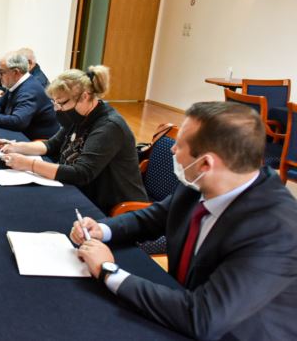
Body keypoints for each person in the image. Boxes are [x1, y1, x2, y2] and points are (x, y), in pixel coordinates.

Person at [71, 101, 297, 340]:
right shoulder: (203, 182)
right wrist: (102, 229)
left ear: (206, 163)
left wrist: (108, 271)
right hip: (183, 306)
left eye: (179, 145)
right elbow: (153, 217)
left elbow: (203, 317)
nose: (172, 150)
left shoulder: (276, 231)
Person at [0, 66, 148, 214]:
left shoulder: (109, 126)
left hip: (113, 208)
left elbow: (81, 173)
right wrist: (17, 147)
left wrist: (29, 164)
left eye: (62, 103)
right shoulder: (80, 116)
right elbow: (52, 144)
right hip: (81, 191)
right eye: (55, 103)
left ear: (85, 97)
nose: (57, 109)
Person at [0, 52, 59, 140]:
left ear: (15, 72)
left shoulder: (29, 91)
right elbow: (0, 103)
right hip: (23, 133)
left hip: (36, 140)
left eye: (1, 72)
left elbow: (18, 122)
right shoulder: (18, 83)